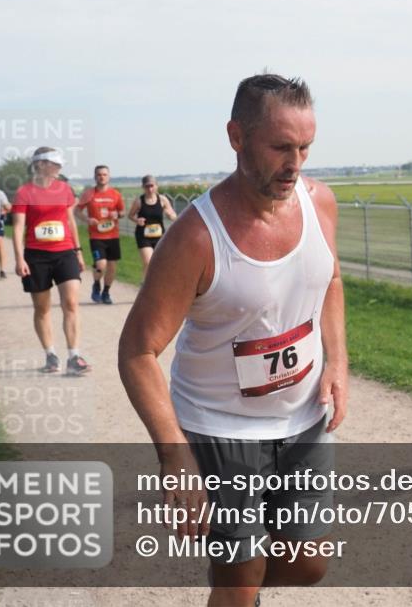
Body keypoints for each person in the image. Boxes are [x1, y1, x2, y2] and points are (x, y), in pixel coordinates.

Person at [119, 73, 348, 606]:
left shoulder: (321, 204)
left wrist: (337, 362)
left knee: (309, 564)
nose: (295, 164)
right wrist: (175, 458)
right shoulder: (196, 238)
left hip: (304, 420)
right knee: (240, 582)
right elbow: (137, 352)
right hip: (221, 431)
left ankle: (234, 586)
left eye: (306, 148)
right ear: (236, 137)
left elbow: (331, 280)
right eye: (281, 148)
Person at [11, 147, 91, 376]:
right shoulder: (24, 192)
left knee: (71, 303)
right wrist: (19, 258)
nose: (59, 168)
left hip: (65, 251)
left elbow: (70, 221)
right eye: (55, 164)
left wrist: (78, 251)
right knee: (42, 308)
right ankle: (51, 354)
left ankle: (74, 355)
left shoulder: (64, 189)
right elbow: (18, 228)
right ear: (41, 165)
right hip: (37, 256)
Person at [77, 165, 125, 304]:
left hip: (113, 236)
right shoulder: (89, 194)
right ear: (95, 177)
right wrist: (87, 219)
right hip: (96, 236)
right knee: (101, 264)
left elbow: (122, 212)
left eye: (104, 174)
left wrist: (117, 214)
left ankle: (106, 292)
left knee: (112, 266)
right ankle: (96, 284)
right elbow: (77, 211)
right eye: (99, 174)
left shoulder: (115, 194)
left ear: (108, 176)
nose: (102, 177)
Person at [127, 174, 177, 276]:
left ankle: (157, 285)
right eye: (147, 186)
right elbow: (130, 215)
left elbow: (173, 215)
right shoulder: (139, 201)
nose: (150, 189)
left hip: (159, 235)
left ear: (156, 186)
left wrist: (170, 215)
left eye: (152, 186)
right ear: (143, 187)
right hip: (143, 236)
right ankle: (146, 285)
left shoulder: (162, 199)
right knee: (148, 262)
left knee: (161, 263)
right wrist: (137, 220)